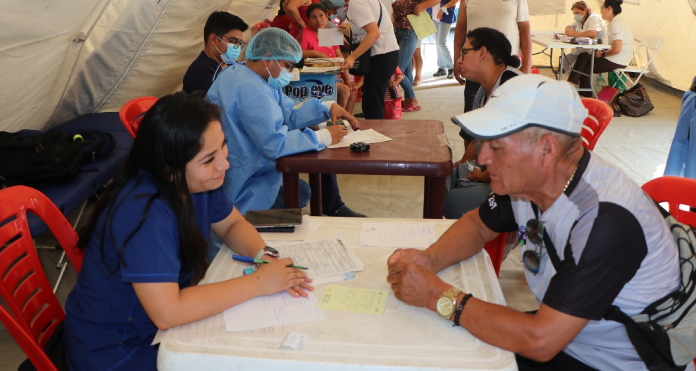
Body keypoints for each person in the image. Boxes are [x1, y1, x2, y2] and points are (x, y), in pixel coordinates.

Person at [387, 74, 682, 370]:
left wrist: (438, 296)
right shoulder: (531, 180)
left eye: (497, 147)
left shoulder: (604, 222)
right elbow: (478, 225)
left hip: (621, 359)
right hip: (575, 336)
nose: (483, 157)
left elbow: (540, 341)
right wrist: (429, 258)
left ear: (546, 149)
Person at [64, 92, 313, 370]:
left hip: (154, 330)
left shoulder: (197, 182)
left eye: (224, 147)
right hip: (116, 351)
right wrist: (258, 284)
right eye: (208, 160)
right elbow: (168, 313)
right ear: (169, 170)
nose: (224, 164)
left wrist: (263, 255)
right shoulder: (143, 212)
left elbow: (231, 224)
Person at [206, 28, 364, 220]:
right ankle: (259, 228)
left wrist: (327, 107)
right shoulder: (252, 91)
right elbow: (274, 144)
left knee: (302, 191)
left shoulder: (251, 75)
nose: (290, 72)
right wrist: (323, 136)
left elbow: (287, 113)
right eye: (288, 65)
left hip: (252, 169)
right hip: (243, 185)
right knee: (298, 200)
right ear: (267, 58)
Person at [445, 27, 522, 219]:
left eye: (464, 52)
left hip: (524, 183)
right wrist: (461, 164)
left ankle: (476, 239)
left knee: (451, 202)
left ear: (482, 53)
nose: (459, 60)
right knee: (440, 179)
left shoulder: (510, 89)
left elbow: (512, 156)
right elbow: (475, 139)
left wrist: (482, 176)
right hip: (499, 172)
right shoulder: (483, 91)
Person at [452, 0, 532, 113]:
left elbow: (524, 29)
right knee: (473, 117)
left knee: (508, 117)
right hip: (475, 68)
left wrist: (527, 65)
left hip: (506, 68)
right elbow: (460, 30)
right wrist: (457, 60)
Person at [340, 0, 399, 120]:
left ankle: (376, 135)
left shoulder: (357, 2)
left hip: (381, 55)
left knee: (372, 104)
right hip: (384, 54)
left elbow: (374, 33)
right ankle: (375, 133)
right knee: (370, 102)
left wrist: (352, 57)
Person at [568, 0, 633, 97]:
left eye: (602, 8)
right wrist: (602, 51)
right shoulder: (615, 22)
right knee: (583, 57)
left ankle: (580, 92)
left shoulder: (617, 24)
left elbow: (617, 49)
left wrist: (602, 54)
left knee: (583, 67)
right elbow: (613, 47)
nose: (601, 10)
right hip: (615, 56)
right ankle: (575, 89)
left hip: (618, 59)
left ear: (609, 8)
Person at [298, 3, 357, 109]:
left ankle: (345, 121)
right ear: (308, 20)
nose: (318, 20)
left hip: (333, 76)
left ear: (326, 16)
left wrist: (347, 81)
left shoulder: (330, 33)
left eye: (321, 16)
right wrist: (317, 54)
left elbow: (340, 58)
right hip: (314, 79)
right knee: (344, 90)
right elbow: (299, 53)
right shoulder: (306, 32)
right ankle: (335, 121)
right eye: (314, 17)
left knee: (352, 89)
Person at [182, 11, 249, 94]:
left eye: (239, 43)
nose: (237, 47)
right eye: (233, 41)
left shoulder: (229, 63)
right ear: (214, 39)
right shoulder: (202, 72)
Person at [392, 0, 436, 112]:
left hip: (410, 32)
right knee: (406, 70)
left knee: (397, 70)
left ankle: (413, 99)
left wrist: (421, 6)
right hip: (399, 31)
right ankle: (408, 100)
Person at [561, 1, 607, 74]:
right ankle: (573, 80)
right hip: (581, 51)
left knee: (575, 65)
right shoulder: (580, 20)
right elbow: (568, 27)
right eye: (574, 14)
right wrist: (568, 31)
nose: (576, 16)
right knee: (564, 60)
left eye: (577, 13)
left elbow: (593, 33)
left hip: (593, 53)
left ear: (585, 10)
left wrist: (574, 33)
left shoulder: (594, 18)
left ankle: (576, 81)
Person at [431, 0, 459, 79]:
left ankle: (451, 68)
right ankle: (441, 67)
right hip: (433, 17)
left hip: (445, 16)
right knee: (438, 43)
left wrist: (443, 8)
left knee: (441, 43)